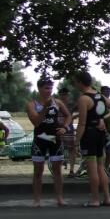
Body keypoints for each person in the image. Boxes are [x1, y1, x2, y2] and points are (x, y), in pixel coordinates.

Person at [74, 71, 110, 207]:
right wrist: (104, 118)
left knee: (92, 168)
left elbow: (82, 123)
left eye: (76, 82)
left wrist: (76, 142)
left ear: (80, 82)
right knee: (101, 167)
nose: (75, 84)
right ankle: (107, 197)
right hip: (101, 133)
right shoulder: (99, 96)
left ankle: (95, 199)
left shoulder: (84, 99)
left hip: (89, 135)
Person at [26, 78, 72, 207]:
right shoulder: (32, 104)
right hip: (39, 140)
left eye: (51, 88)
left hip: (55, 140)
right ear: (39, 88)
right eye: (46, 88)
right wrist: (45, 108)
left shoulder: (57, 102)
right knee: (38, 171)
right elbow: (36, 122)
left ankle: (60, 198)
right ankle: (36, 200)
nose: (49, 91)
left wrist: (65, 127)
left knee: (57, 170)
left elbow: (68, 115)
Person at [58, 87, 78, 177]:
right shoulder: (56, 104)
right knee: (58, 149)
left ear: (68, 95)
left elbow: (83, 110)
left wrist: (74, 116)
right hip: (58, 129)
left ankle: (71, 170)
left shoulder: (72, 104)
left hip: (69, 129)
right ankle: (58, 170)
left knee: (71, 149)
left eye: (65, 94)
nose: (64, 96)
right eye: (62, 94)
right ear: (59, 95)